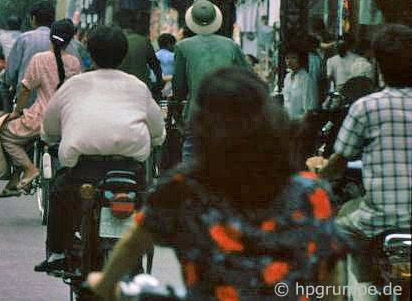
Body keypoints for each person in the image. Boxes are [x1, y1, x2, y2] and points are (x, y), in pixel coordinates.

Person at [88, 67, 345, 299]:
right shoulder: (311, 194)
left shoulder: (183, 189)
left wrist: (104, 283)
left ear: (203, 128)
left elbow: (135, 239)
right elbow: (331, 279)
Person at [37, 25, 165, 272]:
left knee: (60, 193)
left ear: (91, 54)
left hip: (84, 171)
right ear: (123, 54)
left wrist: (50, 136)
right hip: (128, 171)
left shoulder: (73, 85)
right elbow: (157, 131)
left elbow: (49, 126)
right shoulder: (138, 86)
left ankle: (58, 252)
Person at [319, 24, 412, 286]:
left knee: (329, 237)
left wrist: (316, 180)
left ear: (379, 66)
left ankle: (360, 289)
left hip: (378, 221)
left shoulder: (366, 107)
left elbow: (339, 161)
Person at [0, 19, 80, 198]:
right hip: (66, 120)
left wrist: (16, 112)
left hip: (40, 118)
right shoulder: (74, 62)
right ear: (70, 40)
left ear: (51, 38)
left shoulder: (39, 59)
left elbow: (25, 90)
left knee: (5, 133)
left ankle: (29, 169)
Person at [171, 0, 249, 160]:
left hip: (197, 113)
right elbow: (247, 78)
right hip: (228, 114)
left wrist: (177, 113)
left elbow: (178, 87)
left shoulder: (183, 47)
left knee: (191, 160)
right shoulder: (231, 45)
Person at [6, 3, 55, 111]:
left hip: (27, 102)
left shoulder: (24, 39)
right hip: (56, 103)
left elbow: (11, 73)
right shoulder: (67, 42)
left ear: (33, 19)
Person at [114, 9, 163, 94]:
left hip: (118, 89)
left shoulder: (112, 41)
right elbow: (156, 67)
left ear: (117, 23)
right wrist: (158, 84)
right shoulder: (143, 41)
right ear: (134, 24)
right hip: (141, 89)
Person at [282, 44, 318, 119]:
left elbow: (309, 109)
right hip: (288, 121)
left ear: (300, 59)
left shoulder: (306, 78)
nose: (289, 61)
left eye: (293, 58)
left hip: (300, 123)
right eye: (287, 58)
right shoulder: (287, 77)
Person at [155, 33, 176, 98]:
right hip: (171, 89)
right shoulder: (174, 57)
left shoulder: (154, 56)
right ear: (170, 44)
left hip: (156, 86)